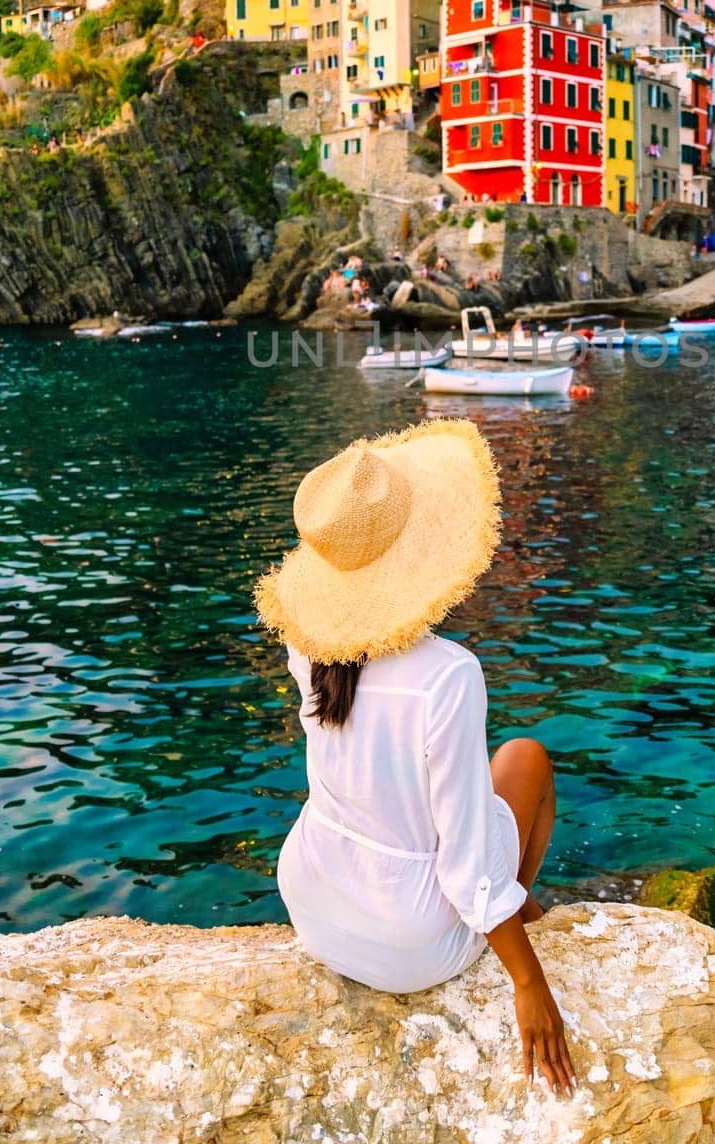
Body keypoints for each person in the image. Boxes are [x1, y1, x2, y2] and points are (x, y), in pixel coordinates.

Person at [254, 423, 575, 1095]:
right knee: (525, 759)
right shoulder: (445, 674)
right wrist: (529, 982)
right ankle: (524, 907)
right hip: (407, 945)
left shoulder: (308, 641)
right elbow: (463, 863)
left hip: (314, 901)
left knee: (453, 797)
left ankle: (524, 902)